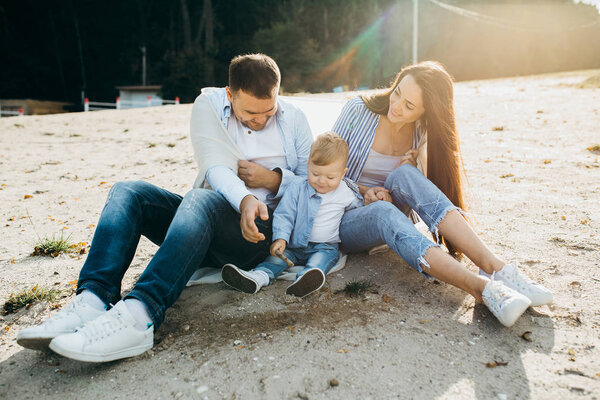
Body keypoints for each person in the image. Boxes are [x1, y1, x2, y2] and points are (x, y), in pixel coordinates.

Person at [16, 53, 314, 362]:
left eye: (269, 110)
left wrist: (273, 181)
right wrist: (244, 198)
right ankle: (94, 299)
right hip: (198, 225)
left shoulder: (293, 119)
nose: (261, 120)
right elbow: (215, 166)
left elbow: (312, 186)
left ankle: (140, 315)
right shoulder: (208, 105)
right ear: (230, 94)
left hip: (259, 235)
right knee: (128, 192)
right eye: (251, 112)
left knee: (200, 200)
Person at [333, 61, 552, 327]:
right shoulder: (357, 111)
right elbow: (321, 171)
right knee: (382, 210)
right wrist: (367, 192)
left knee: (405, 174)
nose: (397, 105)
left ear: (426, 113)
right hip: (345, 218)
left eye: (410, 106)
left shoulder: (421, 131)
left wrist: (416, 164)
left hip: (391, 216)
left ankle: (494, 267)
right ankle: (480, 288)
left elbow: (426, 193)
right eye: (398, 92)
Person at [221, 132, 363, 297]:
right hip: (294, 245)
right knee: (274, 260)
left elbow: (357, 217)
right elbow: (284, 215)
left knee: (318, 264)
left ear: (343, 173)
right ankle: (257, 277)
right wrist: (281, 238)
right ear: (308, 164)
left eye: (331, 177)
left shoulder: (347, 193)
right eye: (315, 174)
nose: (321, 181)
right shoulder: (297, 187)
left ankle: (305, 281)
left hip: (325, 246)